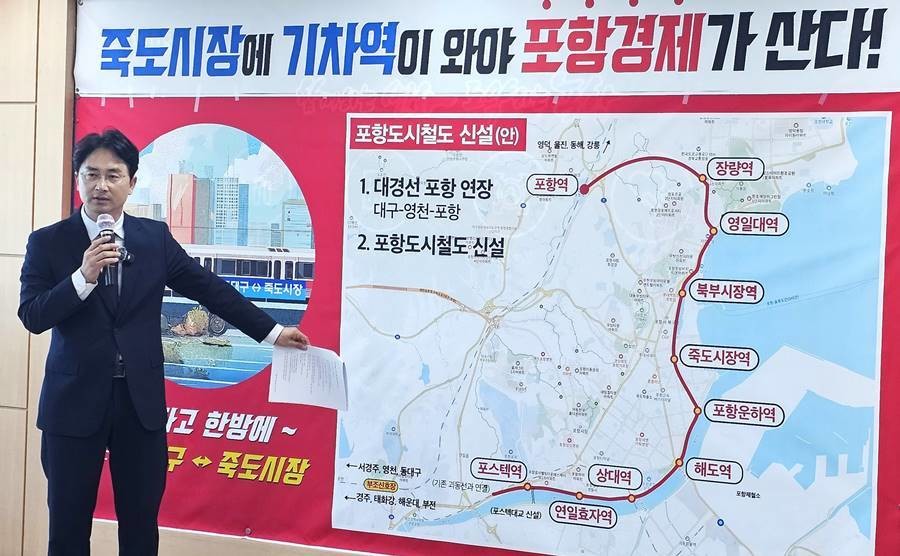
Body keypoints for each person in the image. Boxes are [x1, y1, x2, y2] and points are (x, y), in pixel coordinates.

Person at [18, 128, 310, 556]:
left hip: (139, 405)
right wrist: (82, 277)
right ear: (77, 179)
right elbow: (33, 315)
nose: (101, 185)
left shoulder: (153, 238)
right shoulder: (48, 242)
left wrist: (272, 331)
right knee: (67, 528)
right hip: (72, 404)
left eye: (113, 175)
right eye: (91, 174)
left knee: (140, 527)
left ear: (132, 182)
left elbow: (209, 289)